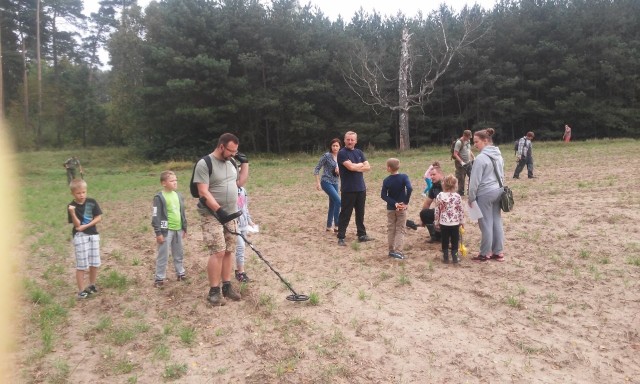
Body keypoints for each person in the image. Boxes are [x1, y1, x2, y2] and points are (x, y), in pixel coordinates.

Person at [194, 133, 249, 306]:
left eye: (236, 151)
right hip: (212, 214)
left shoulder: (232, 162)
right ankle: (214, 291)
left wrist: (245, 163)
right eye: (231, 151)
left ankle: (227, 286)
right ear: (221, 146)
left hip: (231, 213)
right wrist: (218, 210)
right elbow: (203, 191)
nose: (233, 154)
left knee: (228, 250)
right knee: (217, 251)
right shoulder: (205, 163)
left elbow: (239, 183)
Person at [468, 128, 505, 262]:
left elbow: (474, 181)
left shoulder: (480, 158)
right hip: (498, 191)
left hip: (485, 193)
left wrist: (471, 197)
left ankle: (484, 254)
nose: (475, 145)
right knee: (496, 221)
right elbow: (502, 174)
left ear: (485, 140)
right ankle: (498, 252)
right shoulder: (499, 155)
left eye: (476, 142)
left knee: (485, 224)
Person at [67, 179, 102, 299]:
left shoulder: (92, 202)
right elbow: (77, 225)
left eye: (83, 192)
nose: (81, 195)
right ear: (73, 193)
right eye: (78, 193)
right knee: (82, 264)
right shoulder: (71, 206)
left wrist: (86, 226)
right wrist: (72, 213)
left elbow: (98, 218)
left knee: (94, 262)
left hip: (93, 234)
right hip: (80, 237)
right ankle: (81, 291)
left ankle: (91, 285)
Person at [151, 171, 187, 288]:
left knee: (179, 253)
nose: (175, 182)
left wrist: (184, 227)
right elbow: (156, 215)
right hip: (166, 231)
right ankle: (159, 278)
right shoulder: (159, 198)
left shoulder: (178, 195)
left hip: (178, 229)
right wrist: (158, 232)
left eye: (176, 180)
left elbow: (182, 212)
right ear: (163, 183)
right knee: (163, 255)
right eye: (172, 181)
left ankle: (180, 273)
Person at [336, 131, 372, 246]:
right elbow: (350, 167)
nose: (350, 142)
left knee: (360, 213)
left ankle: (361, 234)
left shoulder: (359, 152)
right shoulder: (342, 153)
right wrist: (360, 165)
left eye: (352, 140)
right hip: (348, 189)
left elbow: (368, 167)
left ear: (356, 141)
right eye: (348, 139)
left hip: (361, 188)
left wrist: (356, 166)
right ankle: (341, 237)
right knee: (345, 213)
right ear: (344, 140)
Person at [381, 158, 413, 260]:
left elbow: (383, 195)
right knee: (400, 229)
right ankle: (398, 251)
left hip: (391, 208)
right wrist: (405, 202)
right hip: (401, 208)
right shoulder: (404, 177)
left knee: (391, 229)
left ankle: (391, 250)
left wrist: (394, 203)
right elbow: (410, 188)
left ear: (389, 168)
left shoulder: (386, 180)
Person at [434, 175, 464, 264]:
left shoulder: (440, 195)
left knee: (445, 239)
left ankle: (445, 257)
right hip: (455, 222)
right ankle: (455, 257)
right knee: (455, 240)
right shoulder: (457, 196)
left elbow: (437, 209)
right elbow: (460, 210)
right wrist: (462, 221)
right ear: (455, 185)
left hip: (443, 222)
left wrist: (436, 221)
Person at [314, 138, 341, 232]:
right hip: (326, 182)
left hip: (335, 182)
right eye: (333, 145)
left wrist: (339, 171)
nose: (335, 147)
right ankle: (337, 225)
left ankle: (329, 226)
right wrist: (317, 182)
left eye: (337, 146)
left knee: (333, 203)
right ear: (331, 146)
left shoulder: (341, 157)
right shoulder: (326, 156)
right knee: (339, 201)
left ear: (339, 147)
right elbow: (316, 169)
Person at [235, 186, 256, 283]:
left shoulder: (243, 190)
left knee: (241, 249)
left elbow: (245, 207)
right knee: (241, 247)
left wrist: (249, 221)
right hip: (235, 225)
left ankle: (238, 269)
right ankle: (241, 273)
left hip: (243, 225)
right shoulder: (230, 190)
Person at [419, 166, 444, 243]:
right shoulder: (433, 187)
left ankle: (448, 236)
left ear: (440, 174)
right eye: (431, 175)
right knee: (424, 213)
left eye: (434, 174)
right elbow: (427, 203)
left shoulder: (447, 184)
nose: (431, 177)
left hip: (449, 213)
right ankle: (436, 236)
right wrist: (422, 219)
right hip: (439, 211)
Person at [452, 130, 475, 196]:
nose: (469, 139)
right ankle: (461, 193)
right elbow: (455, 154)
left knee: (472, 176)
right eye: (468, 137)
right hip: (461, 164)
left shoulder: (468, 141)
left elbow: (469, 150)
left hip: (468, 162)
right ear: (464, 135)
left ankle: (470, 191)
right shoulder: (459, 143)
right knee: (461, 179)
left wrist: (473, 157)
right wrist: (461, 162)